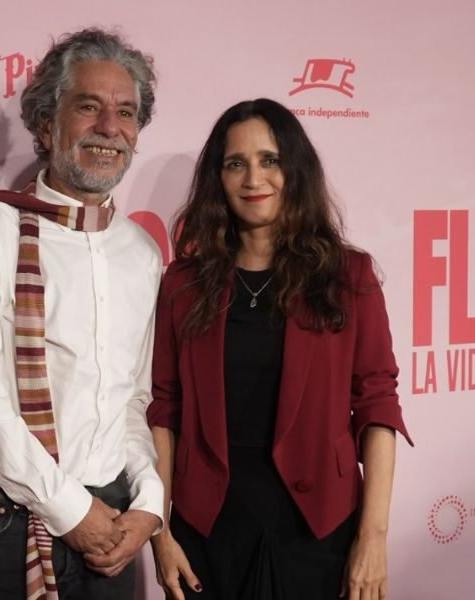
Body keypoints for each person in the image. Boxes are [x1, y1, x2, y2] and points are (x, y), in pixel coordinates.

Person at [147, 98, 414, 600]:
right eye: (236, 163)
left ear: (294, 169)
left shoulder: (346, 276)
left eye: (269, 160)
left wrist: (372, 539)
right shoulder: (183, 285)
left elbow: (377, 404)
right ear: (217, 179)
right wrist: (160, 532)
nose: (254, 178)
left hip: (320, 530)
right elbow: (165, 410)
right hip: (207, 531)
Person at [0, 28, 163, 600]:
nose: (111, 129)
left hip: (113, 531)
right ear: (44, 124)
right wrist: (69, 508)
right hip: (3, 524)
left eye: (127, 113)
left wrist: (148, 503)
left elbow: (130, 400)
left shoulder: (141, 251)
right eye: (88, 107)